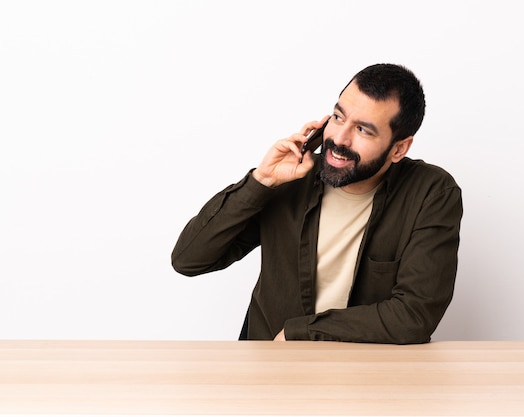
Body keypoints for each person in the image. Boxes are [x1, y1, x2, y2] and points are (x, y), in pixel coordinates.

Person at [171, 63, 462, 344]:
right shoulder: (292, 178)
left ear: (399, 148)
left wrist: (302, 333)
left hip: (366, 377)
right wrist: (260, 182)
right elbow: (189, 259)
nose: (339, 139)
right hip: (270, 371)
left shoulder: (431, 193)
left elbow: (414, 315)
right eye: (338, 117)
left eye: (363, 130)